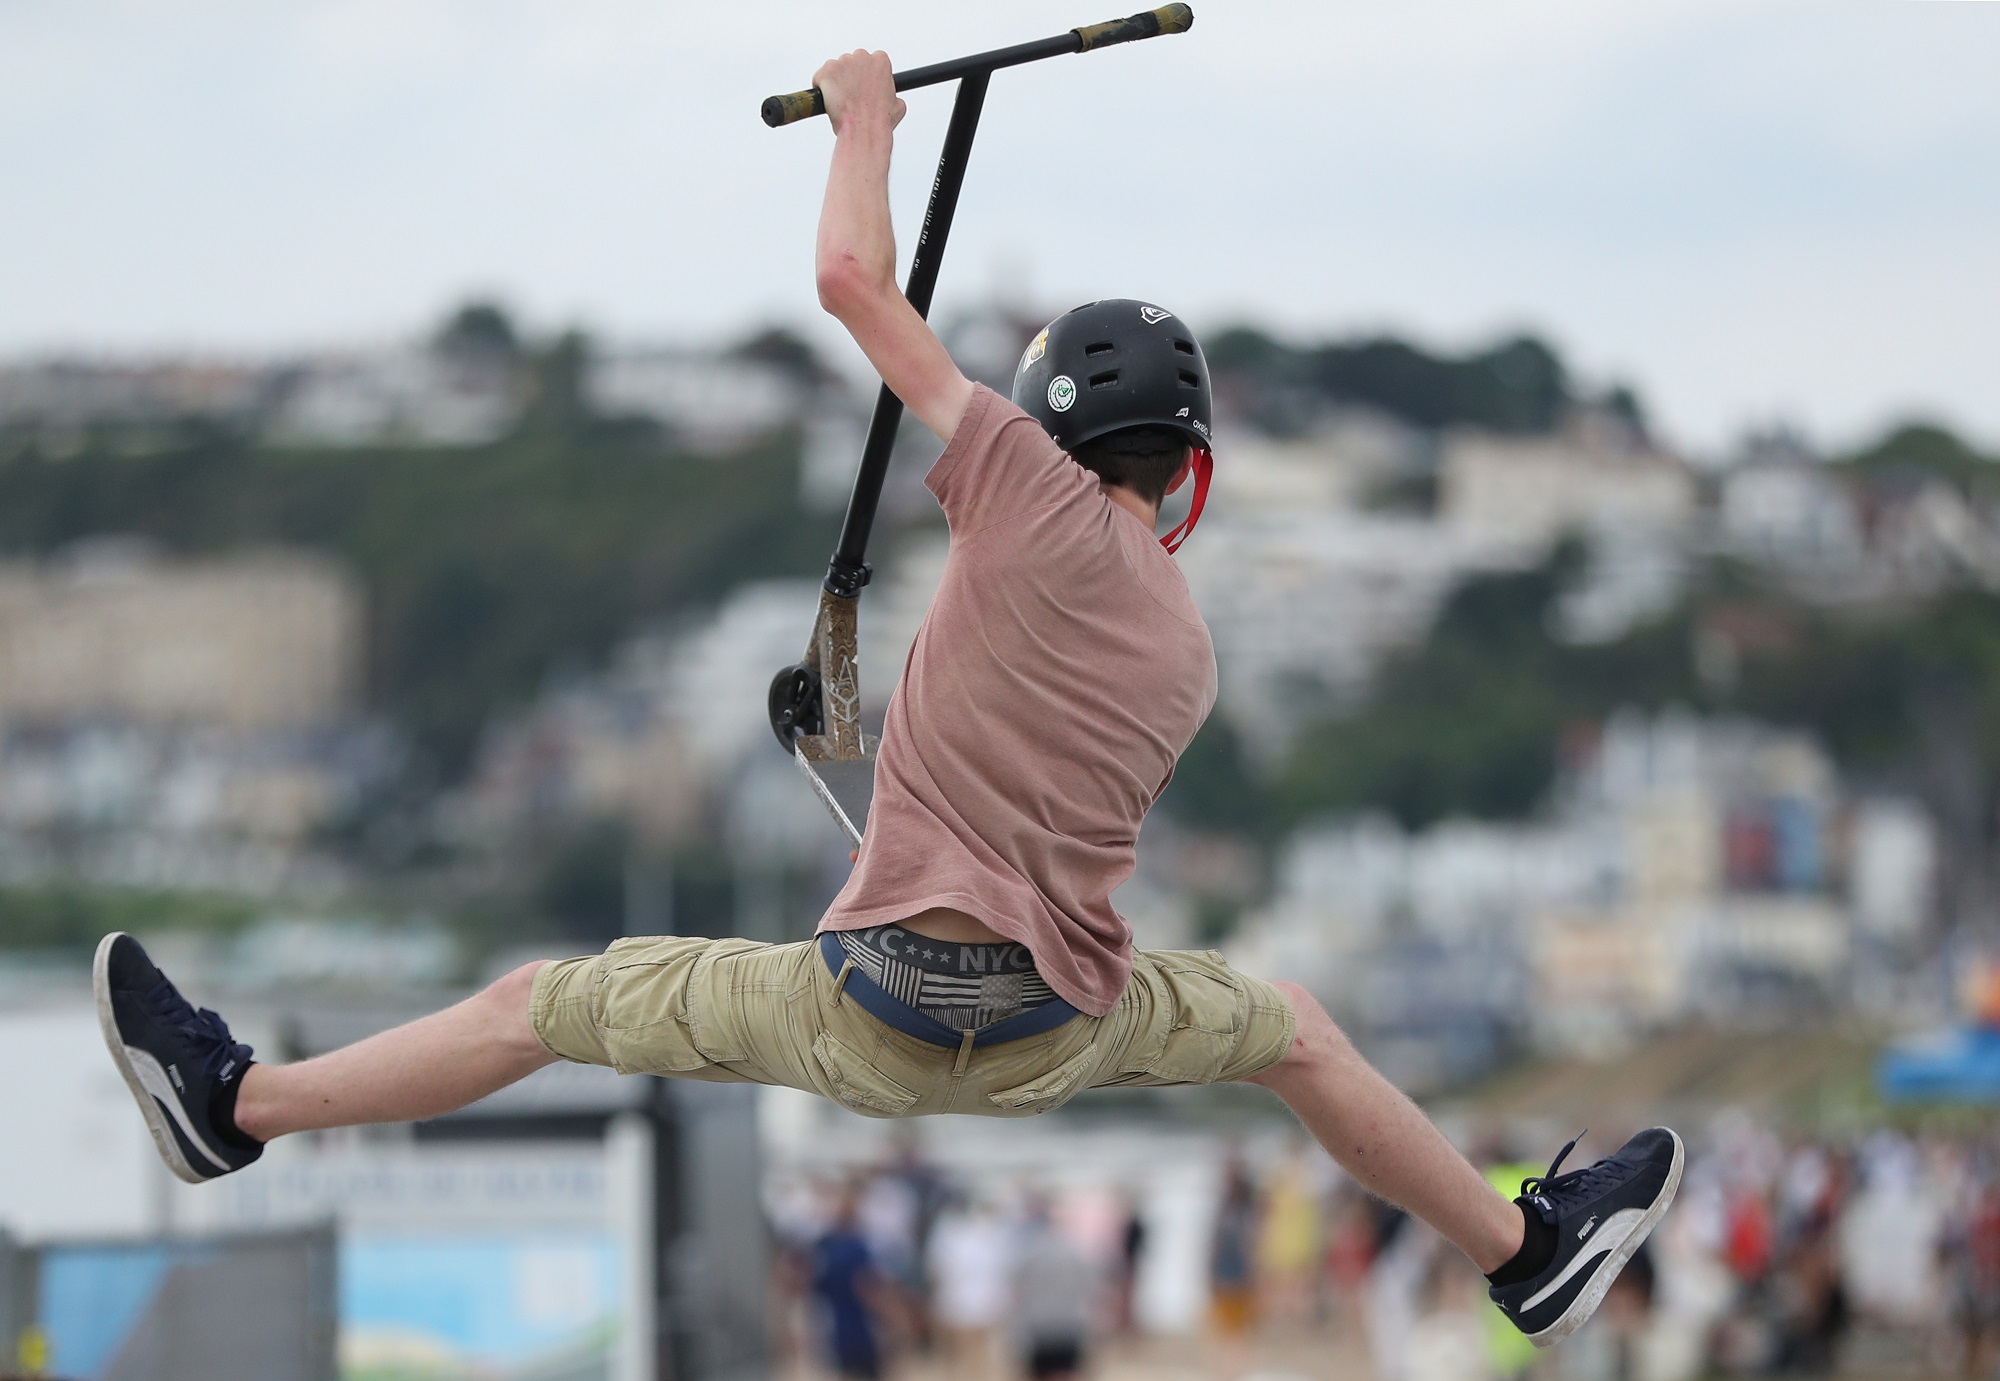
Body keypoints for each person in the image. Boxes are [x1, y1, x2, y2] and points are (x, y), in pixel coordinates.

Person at [92, 46, 1680, 1350]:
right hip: (1064, 1024)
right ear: (1188, 469)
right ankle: (1523, 1247)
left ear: (1050, 429)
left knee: (537, 1007)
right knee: (1300, 1037)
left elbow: (854, 278)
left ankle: (238, 1108)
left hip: (876, 1006)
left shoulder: (1026, 494)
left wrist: (865, 118)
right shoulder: (1189, 646)